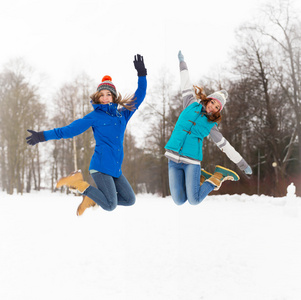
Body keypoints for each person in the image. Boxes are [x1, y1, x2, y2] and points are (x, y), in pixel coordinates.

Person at [26, 54, 147, 215]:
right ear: (98, 97)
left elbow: (140, 94)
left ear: (113, 96)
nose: (105, 98)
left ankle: (92, 198)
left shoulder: (122, 115)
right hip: (100, 167)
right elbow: (68, 130)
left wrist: (142, 74)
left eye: (108, 94)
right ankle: (78, 184)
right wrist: (42, 136)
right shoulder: (94, 116)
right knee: (110, 205)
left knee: (130, 200)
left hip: (116, 169)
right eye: (101, 95)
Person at [164, 51, 252, 206]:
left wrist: (243, 164)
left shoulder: (211, 125)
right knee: (178, 200)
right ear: (209, 99)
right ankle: (202, 178)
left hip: (192, 161)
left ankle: (217, 176)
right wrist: (182, 63)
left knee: (194, 200)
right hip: (173, 157)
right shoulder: (190, 103)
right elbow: (185, 82)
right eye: (213, 103)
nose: (213, 108)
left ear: (218, 111)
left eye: (217, 107)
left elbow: (226, 146)